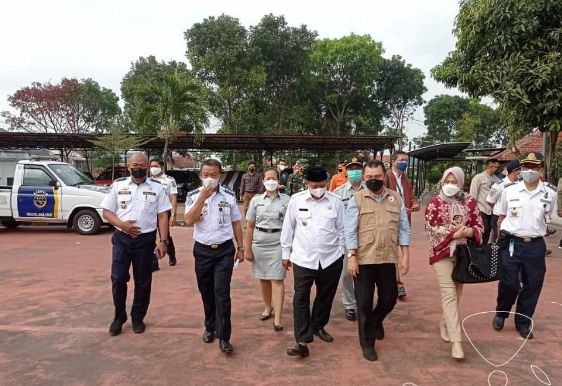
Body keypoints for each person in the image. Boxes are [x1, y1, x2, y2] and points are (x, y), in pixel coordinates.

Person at [344, 160, 411, 361]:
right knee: (363, 303)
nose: (374, 180)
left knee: (389, 298)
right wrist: (352, 257)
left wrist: (405, 255)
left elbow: (404, 228)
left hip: (387, 257)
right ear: (364, 178)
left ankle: (374, 322)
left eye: (378, 177)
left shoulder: (395, 198)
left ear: (384, 176)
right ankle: (367, 342)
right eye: (370, 177)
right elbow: (349, 231)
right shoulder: (357, 199)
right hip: (363, 259)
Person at [101, 152, 172, 336]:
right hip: (122, 240)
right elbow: (107, 212)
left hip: (145, 241)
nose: (138, 168)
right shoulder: (118, 185)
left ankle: (138, 317)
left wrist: (163, 241)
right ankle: (119, 316)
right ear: (128, 166)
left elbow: (163, 215)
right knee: (118, 278)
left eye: (142, 165)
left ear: (148, 167)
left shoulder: (157, 187)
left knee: (143, 281)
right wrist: (121, 224)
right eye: (134, 165)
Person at [281, 166, 345, 358]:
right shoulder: (296, 200)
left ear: (326, 183)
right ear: (307, 183)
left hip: (331, 258)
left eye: (322, 185)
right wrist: (285, 254)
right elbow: (288, 228)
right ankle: (302, 340)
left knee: (325, 296)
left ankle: (318, 326)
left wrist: (341, 252)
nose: (318, 188)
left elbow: (342, 229)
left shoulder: (335, 202)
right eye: (314, 185)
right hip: (303, 258)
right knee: (300, 297)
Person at [492, 152, 557, 340]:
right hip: (512, 243)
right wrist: (499, 239)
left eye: (534, 167)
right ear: (520, 169)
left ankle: (523, 321)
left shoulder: (549, 193)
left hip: (535, 245)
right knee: (509, 283)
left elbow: (549, 218)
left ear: (541, 169)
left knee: (533, 285)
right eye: (526, 166)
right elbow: (501, 216)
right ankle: (501, 313)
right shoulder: (509, 190)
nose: (530, 171)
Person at [184, 159, 244, 354]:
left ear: (220, 176)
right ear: (200, 175)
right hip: (202, 251)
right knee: (206, 292)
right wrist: (202, 197)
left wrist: (241, 247)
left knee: (222, 294)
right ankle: (210, 327)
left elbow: (236, 222)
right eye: (206, 175)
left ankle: (225, 337)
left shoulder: (229, 195)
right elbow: (187, 221)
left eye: (214, 175)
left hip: (224, 251)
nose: (210, 178)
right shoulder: (193, 195)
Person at [425, 166, 483, 359]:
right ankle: (457, 342)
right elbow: (431, 229)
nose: (450, 185)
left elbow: (479, 226)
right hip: (442, 253)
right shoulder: (435, 202)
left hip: (463, 255)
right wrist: (452, 234)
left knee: (456, 295)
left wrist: (468, 231)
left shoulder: (470, 202)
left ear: (461, 182)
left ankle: (444, 322)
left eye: (454, 182)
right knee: (449, 294)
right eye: (447, 181)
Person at [244, 168, 290, 331]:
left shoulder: (287, 200)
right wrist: (247, 248)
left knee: (277, 279)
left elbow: (292, 226)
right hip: (259, 242)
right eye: (268, 178)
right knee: (263, 279)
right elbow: (249, 226)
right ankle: (267, 307)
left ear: (279, 181)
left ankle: (277, 318)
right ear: (263, 181)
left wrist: (290, 250)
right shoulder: (256, 200)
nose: (271, 181)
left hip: (278, 243)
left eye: (274, 178)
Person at [383, 150, 420, 299]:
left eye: (406, 160)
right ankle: (397, 283)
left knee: (396, 251)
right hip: (389, 220)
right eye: (401, 160)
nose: (404, 162)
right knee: (392, 253)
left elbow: (411, 196)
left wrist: (415, 203)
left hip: (404, 220)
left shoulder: (405, 179)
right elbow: (382, 196)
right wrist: (397, 207)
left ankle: (395, 283)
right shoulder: (386, 177)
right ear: (393, 161)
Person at [333, 158, 365, 321]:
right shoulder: (339, 193)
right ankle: (349, 305)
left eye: (357, 168)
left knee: (365, 274)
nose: (354, 171)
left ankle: (363, 303)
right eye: (351, 168)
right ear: (345, 171)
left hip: (367, 238)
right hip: (346, 239)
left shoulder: (370, 189)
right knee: (346, 274)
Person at [149, 159, 179, 270]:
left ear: (161, 167)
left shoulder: (169, 180)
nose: (153, 168)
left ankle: (172, 256)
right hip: (150, 212)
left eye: (155, 166)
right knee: (150, 236)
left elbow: (173, 197)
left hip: (164, 212)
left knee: (165, 236)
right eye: (151, 166)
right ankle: (154, 261)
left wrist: (173, 215)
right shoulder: (148, 180)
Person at [486, 160, 520, 242]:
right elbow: (490, 200)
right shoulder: (499, 185)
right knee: (500, 242)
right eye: (520, 169)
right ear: (515, 172)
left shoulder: (521, 184)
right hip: (499, 218)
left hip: (514, 216)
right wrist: (498, 208)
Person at [470, 158, 500, 243]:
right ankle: (478, 246)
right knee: (484, 229)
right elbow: (473, 195)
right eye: (494, 167)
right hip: (481, 208)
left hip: (492, 209)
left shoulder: (496, 179)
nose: (495, 169)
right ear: (489, 166)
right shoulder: (479, 178)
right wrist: (474, 210)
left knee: (490, 230)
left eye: (497, 167)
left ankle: (485, 247)